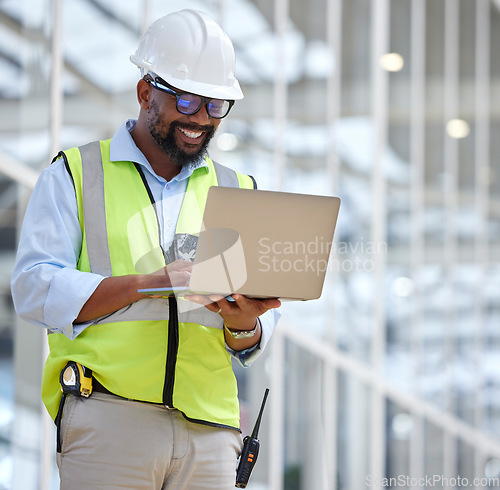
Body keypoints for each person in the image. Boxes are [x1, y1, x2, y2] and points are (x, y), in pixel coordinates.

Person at [11, 9, 281, 489]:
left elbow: (252, 337)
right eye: (186, 99)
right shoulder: (75, 174)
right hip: (110, 418)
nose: (201, 119)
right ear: (145, 93)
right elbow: (33, 288)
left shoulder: (239, 188)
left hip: (213, 431)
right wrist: (144, 285)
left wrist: (246, 326)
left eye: (216, 106)